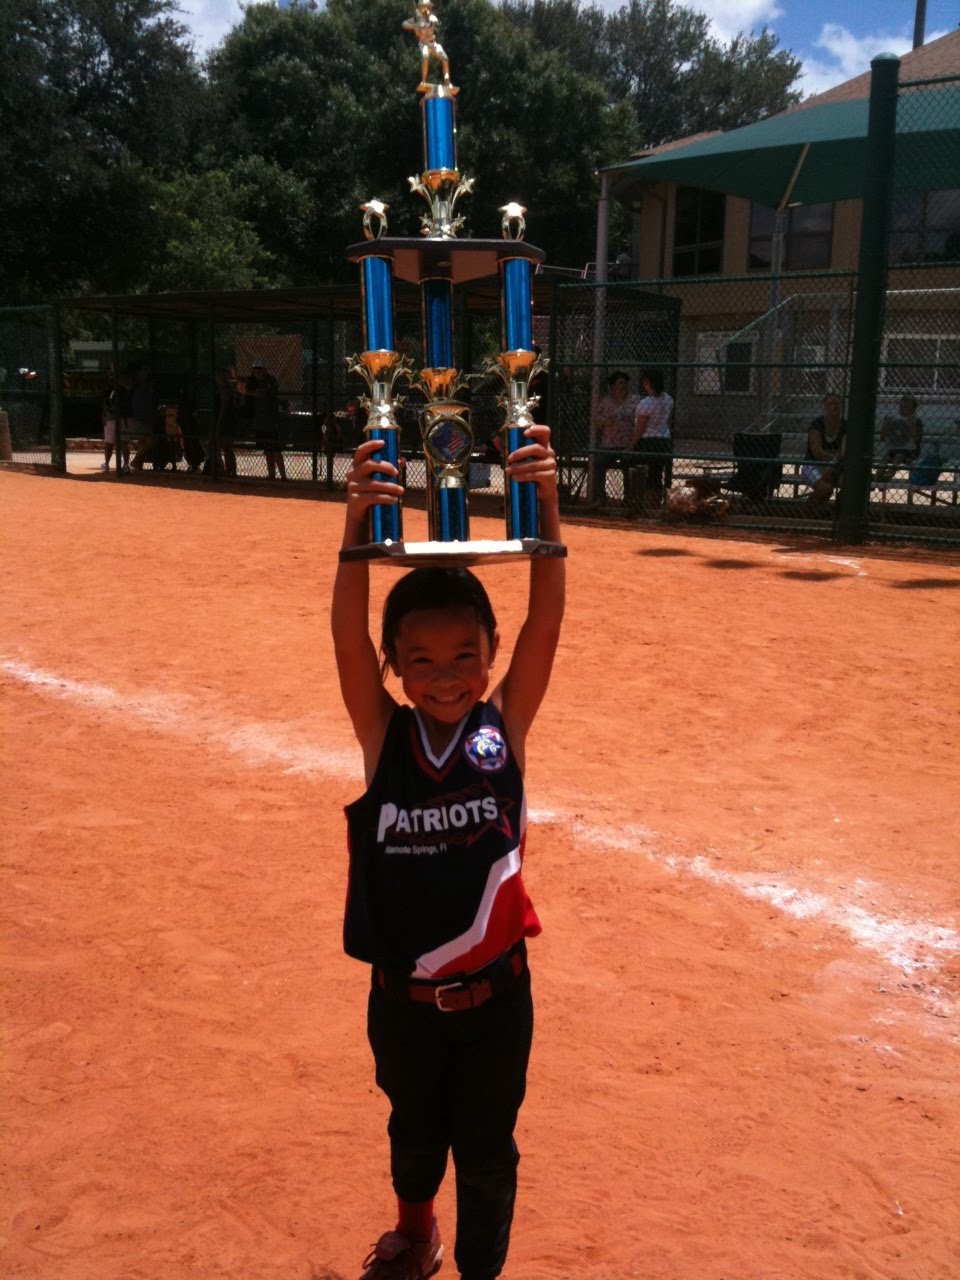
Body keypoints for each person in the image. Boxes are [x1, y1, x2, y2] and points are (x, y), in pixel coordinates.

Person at [331, 422, 565, 1280]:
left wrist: (547, 507)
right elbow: (346, 640)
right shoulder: (384, 738)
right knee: (413, 1132)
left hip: (498, 999)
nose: (445, 674)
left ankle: (479, 1271)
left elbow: (546, 622)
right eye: (421, 658)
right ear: (394, 665)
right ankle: (415, 1235)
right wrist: (354, 530)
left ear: (492, 655)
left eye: (466, 654)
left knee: (489, 1149)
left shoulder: (502, 731)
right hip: (403, 1000)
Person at [592, 370, 638, 506]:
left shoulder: (635, 401)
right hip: (609, 444)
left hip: (628, 444)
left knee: (629, 466)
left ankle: (628, 500)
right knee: (599, 462)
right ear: (612, 387)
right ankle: (601, 498)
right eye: (620, 383)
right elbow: (596, 418)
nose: (623, 386)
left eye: (625, 383)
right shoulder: (606, 402)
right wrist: (605, 421)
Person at [632, 368, 674, 498]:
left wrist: (630, 446)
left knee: (649, 475)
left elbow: (640, 429)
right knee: (657, 473)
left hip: (649, 441)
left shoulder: (646, 403)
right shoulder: (668, 399)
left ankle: (649, 501)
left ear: (647, 383)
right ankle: (659, 498)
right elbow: (667, 420)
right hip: (664, 439)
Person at [801, 392, 846, 503]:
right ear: (825, 407)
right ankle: (808, 508)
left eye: (836, 403)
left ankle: (838, 510)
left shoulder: (845, 425)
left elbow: (844, 452)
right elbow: (817, 452)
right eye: (830, 404)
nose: (834, 406)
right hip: (813, 464)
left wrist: (832, 464)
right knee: (826, 489)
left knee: (851, 487)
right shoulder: (817, 423)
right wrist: (835, 457)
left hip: (836, 466)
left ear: (841, 405)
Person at [250, 359, 287, 481]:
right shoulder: (256, 382)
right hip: (262, 421)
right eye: (255, 370)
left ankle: (283, 476)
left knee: (275, 449)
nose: (257, 372)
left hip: (271, 420)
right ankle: (271, 475)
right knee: (267, 449)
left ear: (265, 370)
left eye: (259, 369)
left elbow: (262, 394)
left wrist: (246, 392)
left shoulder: (270, 380)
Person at [878, 394, 923, 479]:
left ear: (913, 409)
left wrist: (912, 425)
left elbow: (917, 440)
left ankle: (889, 475)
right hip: (894, 449)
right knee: (886, 458)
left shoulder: (917, 421)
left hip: (910, 451)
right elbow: (882, 437)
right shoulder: (894, 419)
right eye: (901, 406)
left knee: (898, 456)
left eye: (906, 407)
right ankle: (879, 474)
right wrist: (887, 423)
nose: (902, 409)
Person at [129, 365, 159, 472]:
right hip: (138, 419)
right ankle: (135, 461)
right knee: (151, 441)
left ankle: (138, 465)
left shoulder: (146, 388)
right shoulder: (137, 388)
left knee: (143, 441)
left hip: (144, 419)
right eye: (143, 371)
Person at [101, 369, 131, 474]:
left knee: (117, 442)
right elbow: (106, 406)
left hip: (117, 418)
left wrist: (104, 417)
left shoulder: (117, 390)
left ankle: (123, 464)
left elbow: (106, 406)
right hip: (117, 419)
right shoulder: (112, 390)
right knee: (116, 442)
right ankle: (116, 464)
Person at [210, 368, 238, 478]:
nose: (217, 378)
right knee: (222, 447)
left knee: (226, 447)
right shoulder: (220, 389)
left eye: (220, 376)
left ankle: (229, 470)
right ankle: (226, 470)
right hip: (224, 420)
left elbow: (224, 408)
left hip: (226, 421)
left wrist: (219, 422)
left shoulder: (226, 390)